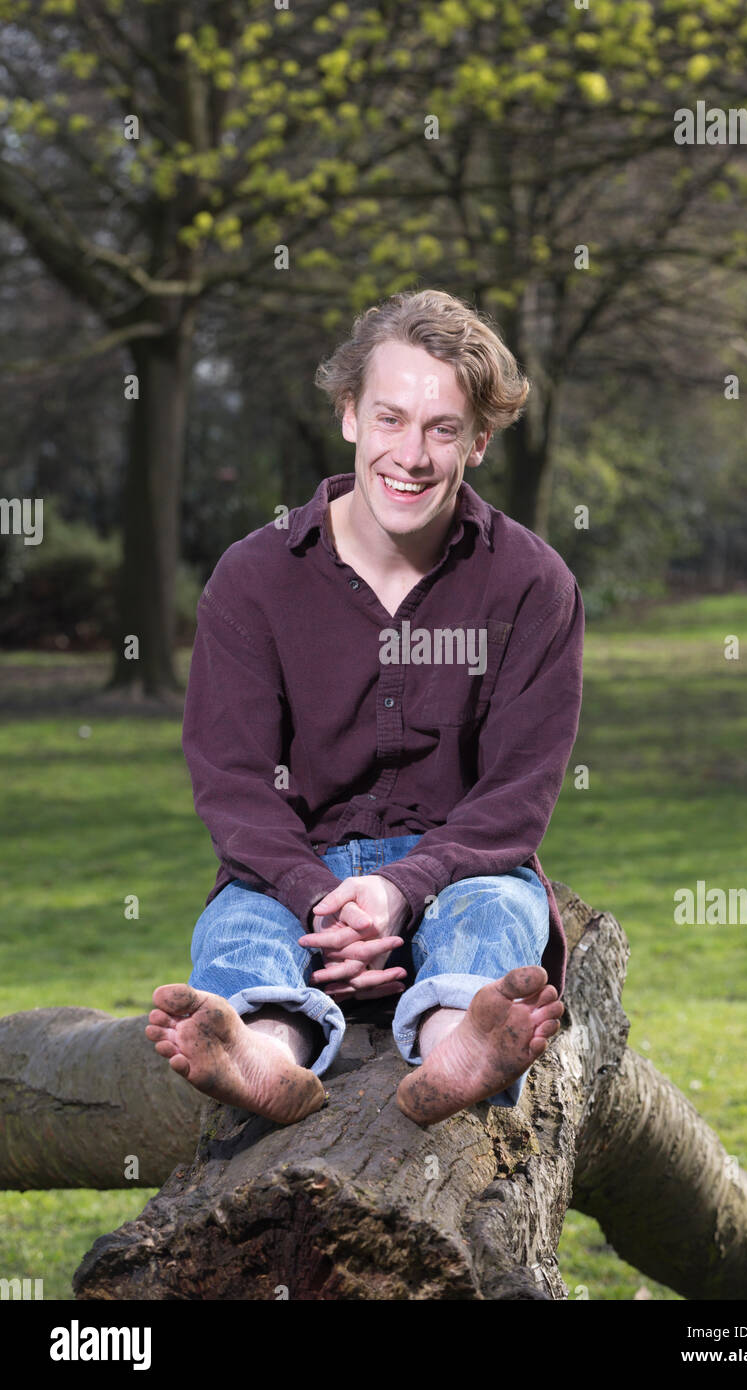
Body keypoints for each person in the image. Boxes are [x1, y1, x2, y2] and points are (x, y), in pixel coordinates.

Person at [146, 288, 584, 1128]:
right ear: (349, 415)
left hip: (461, 865)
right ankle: (264, 1055)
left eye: (442, 428)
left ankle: (463, 1041)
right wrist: (320, 895)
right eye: (390, 419)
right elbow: (234, 784)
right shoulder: (253, 577)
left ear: (479, 441)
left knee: (495, 914)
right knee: (241, 929)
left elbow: (516, 797)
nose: (411, 455)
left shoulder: (533, 585)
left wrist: (397, 890)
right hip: (286, 866)